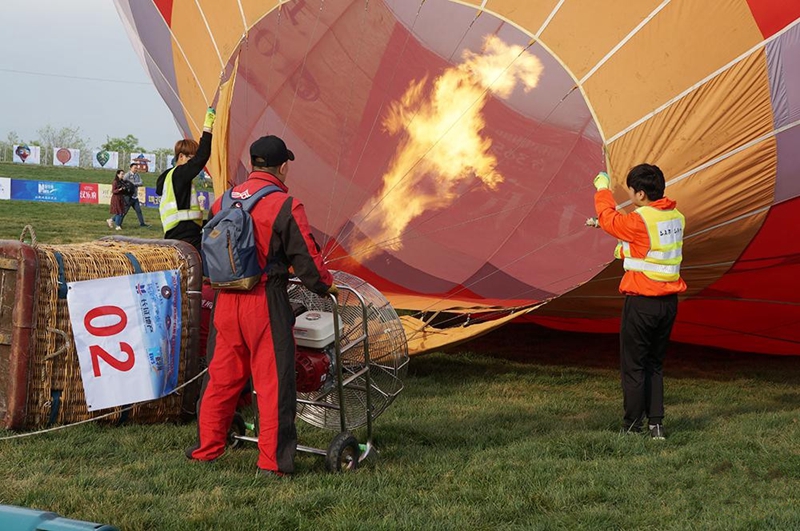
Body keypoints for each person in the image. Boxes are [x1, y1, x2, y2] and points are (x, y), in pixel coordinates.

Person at [186, 134, 336, 477]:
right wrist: (326, 286)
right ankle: (272, 462)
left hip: (225, 301)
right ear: (283, 167)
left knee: (220, 379)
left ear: (253, 164)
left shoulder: (222, 201)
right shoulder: (286, 205)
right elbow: (307, 259)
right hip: (265, 301)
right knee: (273, 385)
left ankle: (206, 448)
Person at [591, 164, 686, 439]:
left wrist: (602, 188)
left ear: (641, 193)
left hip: (642, 303)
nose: (630, 195)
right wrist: (624, 248)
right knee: (654, 365)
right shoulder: (676, 217)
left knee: (633, 366)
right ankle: (656, 425)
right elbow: (652, 247)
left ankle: (632, 427)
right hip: (668, 304)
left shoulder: (639, 220)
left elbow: (609, 218)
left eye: (631, 191)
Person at [156, 107, 216, 252]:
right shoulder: (180, 174)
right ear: (181, 156)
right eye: (191, 159)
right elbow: (202, 157)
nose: (193, 164)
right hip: (187, 240)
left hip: (175, 237)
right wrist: (208, 128)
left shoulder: (167, 178)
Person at [123, 162, 149, 227]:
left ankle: (142, 224)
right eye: (134, 168)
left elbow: (141, 183)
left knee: (139, 211)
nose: (136, 169)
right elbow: (124, 183)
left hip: (135, 196)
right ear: (130, 168)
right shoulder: (127, 175)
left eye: (136, 168)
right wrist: (132, 184)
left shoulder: (137, 175)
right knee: (125, 211)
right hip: (129, 196)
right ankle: (113, 220)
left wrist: (133, 184)